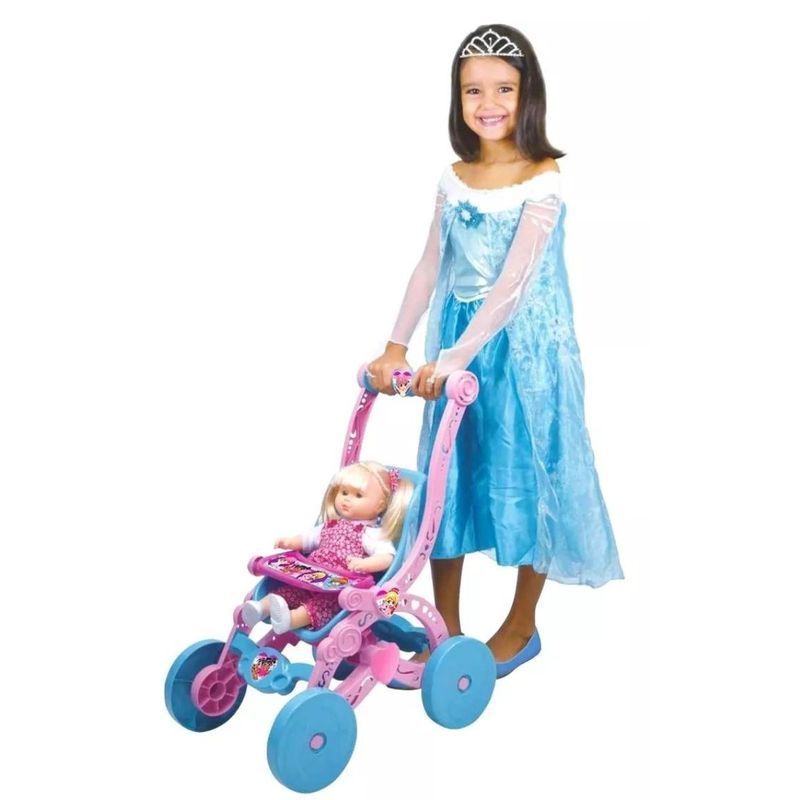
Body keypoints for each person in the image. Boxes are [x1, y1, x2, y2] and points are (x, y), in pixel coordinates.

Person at [367, 23, 623, 678]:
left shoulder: (542, 178)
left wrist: (458, 354)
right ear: (457, 98)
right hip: (456, 344)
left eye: (504, 89)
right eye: (473, 90)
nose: (488, 103)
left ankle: (520, 623)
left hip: (526, 351)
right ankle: (445, 628)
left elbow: (514, 284)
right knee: (446, 476)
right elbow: (431, 264)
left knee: (529, 473)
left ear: (528, 94)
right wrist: (396, 345)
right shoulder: (454, 177)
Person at [240, 461, 413, 633]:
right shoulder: (330, 525)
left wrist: (365, 564)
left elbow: (387, 557)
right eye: (344, 492)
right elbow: (308, 539)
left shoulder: (371, 533)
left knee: (322, 606)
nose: (346, 499)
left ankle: (290, 620)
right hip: (311, 576)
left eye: (358, 495)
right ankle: (261, 608)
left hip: (337, 586)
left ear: (380, 505)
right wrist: (290, 542)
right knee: (288, 591)